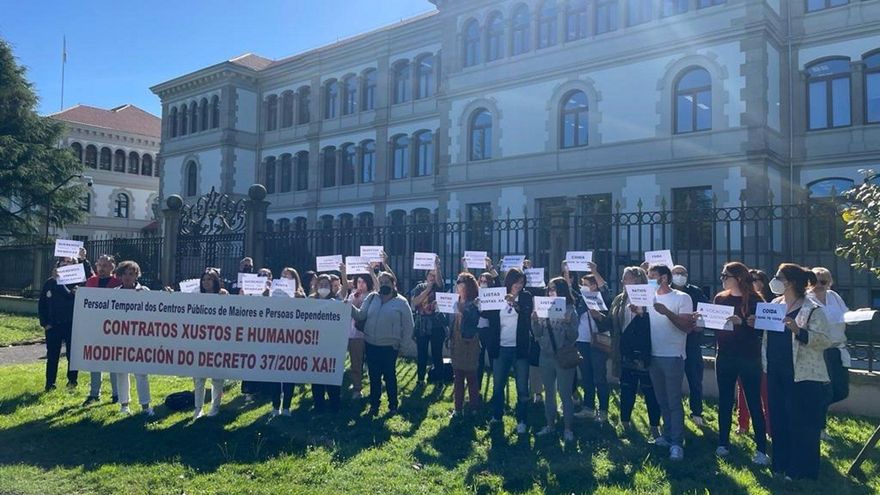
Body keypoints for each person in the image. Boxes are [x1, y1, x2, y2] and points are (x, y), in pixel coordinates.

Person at [762, 263, 832, 480]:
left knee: (801, 422)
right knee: (779, 419)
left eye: (778, 277)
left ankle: (802, 469)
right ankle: (780, 464)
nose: (774, 281)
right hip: (776, 370)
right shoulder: (774, 303)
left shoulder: (813, 309)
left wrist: (798, 331)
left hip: (803, 375)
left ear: (790, 282)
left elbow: (825, 340)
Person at [710, 262, 769, 465]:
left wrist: (743, 323)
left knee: (753, 401)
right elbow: (715, 326)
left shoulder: (754, 300)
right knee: (725, 400)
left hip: (749, 357)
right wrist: (704, 319)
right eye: (722, 275)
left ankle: (761, 449)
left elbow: (760, 331)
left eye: (726, 275)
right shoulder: (720, 298)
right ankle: (723, 443)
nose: (723, 279)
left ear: (738, 278)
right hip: (725, 355)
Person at [642, 264, 695, 461]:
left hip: (673, 355)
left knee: (673, 401)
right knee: (662, 400)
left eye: (652, 276)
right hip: (653, 355)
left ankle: (677, 443)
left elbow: (686, 327)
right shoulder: (649, 297)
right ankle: (667, 435)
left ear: (664, 278)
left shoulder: (682, 298)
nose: (649, 279)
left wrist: (667, 312)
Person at [608, 267, 661, 441]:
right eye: (623, 279)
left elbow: (656, 322)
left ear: (638, 280)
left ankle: (654, 426)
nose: (623, 282)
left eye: (627, 279)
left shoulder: (651, 297)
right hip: (625, 350)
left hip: (646, 351)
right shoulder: (619, 299)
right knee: (626, 388)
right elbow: (612, 322)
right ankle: (624, 422)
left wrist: (642, 314)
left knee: (650, 391)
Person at [351, 271, 414, 416]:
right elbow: (361, 315)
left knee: (389, 376)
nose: (384, 284)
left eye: (387, 282)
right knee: (374, 377)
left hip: (390, 347)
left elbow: (409, 326)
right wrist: (349, 306)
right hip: (371, 344)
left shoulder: (401, 302)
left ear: (393, 284)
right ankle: (374, 405)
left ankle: (393, 406)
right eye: (382, 282)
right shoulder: (372, 298)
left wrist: (403, 346)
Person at [532, 277, 579, 442]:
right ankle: (550, 424)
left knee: (565, 393)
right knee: (549, 393)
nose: (551, 292)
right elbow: (537, 334)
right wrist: (534, 320)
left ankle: (568, 429)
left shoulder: (570, 310)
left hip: (563, 355)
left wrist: (567, 323)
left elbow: (574, 336)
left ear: (562, 290)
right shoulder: (543, 307)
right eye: (549, 289)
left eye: (554, 289)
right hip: (545, 356)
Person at [807, 267, 850, 441]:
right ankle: (819, 428)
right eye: (814, 281)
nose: (818, 285)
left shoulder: (834, 297)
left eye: (823, 281)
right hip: (819, 350)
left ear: (829, 283)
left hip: (837, 348)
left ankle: (811, 412)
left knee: (841, 390)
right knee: (826, 392)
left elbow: (845, 315)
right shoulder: (807, 300)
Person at [489, 268, 534, 434]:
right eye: (516, 282)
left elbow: (526, 315)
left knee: (522, 387)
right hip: (501, 348)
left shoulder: (526, 297)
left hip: (519, 349)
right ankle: (497, 416)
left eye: (522, 282)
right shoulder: (499, 295)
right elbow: (489, 315)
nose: (519, 285)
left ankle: (522, 420)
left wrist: (514, 303)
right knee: (498, 385)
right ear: (509, 281)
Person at [671, 264, 708, 426]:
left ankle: (697, 412)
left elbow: (706, 311)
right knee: (672, 381)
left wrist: (700, 322)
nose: (680, 275)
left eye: (683, 273)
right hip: (672, 341)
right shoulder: (666, 291)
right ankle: (673, 412)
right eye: (677, 273)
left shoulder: (696, 292)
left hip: (692, 342)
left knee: (695, 379)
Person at [114, 261, 154, 416]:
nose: (127, 277)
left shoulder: (144, 291)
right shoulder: (115, 292)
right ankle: (124, 405)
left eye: (131, 274)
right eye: (124, 274)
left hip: (139, 339)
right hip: (120, 338)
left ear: (137, 275)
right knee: (121, 372)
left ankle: (145, 406)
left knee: (141, 372)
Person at [737, 269, 774, 436]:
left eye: (756, 279)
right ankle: (742, 424)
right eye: (749, 279)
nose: (752, 282)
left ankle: (768, 427)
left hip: (766, 353)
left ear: (764, 282)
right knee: (743, 389)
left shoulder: (773, 303)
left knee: (766, 391)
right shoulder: (742, 300)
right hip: (745, 351)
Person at [82, 255, 122, 405]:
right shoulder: (91, 282)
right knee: (95, 361)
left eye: (105, 265)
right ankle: (94, 394)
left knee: (113, 362)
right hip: (94, 327)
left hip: (113, 329)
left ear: (112, 267)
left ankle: (116, 394)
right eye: (99, 265)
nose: (102, 268)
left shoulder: (118, 283)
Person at [38, 257, 82, 392]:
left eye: (69, 262)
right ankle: (50, 384)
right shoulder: (49, 283)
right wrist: (44, 323)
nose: (65, 263)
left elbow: (70, 296)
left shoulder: (78, 283)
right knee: (52, 356)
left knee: (72, 355)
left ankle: (72, 382)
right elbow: (42, 304)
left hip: (71, 325)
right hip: (53, 326)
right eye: (63, 261)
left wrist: (59, 282)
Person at [572, 271, 611, 423]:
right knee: (586, 375)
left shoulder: (604, 299)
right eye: (582, 284)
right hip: (582, 341)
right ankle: (588, 407)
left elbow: (605, 289)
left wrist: (594, 270)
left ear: (594, 286)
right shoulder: (581, 300)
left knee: (599, 377)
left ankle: (603, 410)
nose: (583, 287)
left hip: (598, 342)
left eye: (586, 284)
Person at [192, 269, 228, 419]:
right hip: (199, 342)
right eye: (204, 279)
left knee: (217, 377)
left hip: (217, 342)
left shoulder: (223, 295)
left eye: (209, 279)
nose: (206, 282)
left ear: (215, 281)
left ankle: (215, 406)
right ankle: (198, 408)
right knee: (199, 377)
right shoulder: (196, 296)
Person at [310, 272, 345, 414]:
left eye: (326, 285)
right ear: (316, 286)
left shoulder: (337, 302)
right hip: (313, 345)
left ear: (331, 287)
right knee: (316, 377)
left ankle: (334, 404)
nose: (323, 287)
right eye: (321, 285)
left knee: (331, 375)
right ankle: (318, 405)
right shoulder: (309, 301)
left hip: (331, 346)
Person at [450, 272, 482, 417]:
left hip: (469, 343)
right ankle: (458, 408)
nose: (458, 285)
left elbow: (474, 322)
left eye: (461, 282)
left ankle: (474, 407)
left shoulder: (474, 302)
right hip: (456, 342)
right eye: (457, 282)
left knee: (471, 377)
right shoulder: (455, 300)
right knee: (457, 377)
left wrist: (464, 310)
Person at [410, 256, 446, 384]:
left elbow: (440, 282)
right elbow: (414, 302)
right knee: (422, 353)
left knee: (437, 353)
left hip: (436, 325)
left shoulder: (439, 286)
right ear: (426, 276)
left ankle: (439, 378)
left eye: (434, 275)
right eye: (430, 275)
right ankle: (420, 379)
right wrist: (427, 289)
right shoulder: (420, 286)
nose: (432, 277)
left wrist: (437, 266)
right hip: (422, 325)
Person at [346, 273, 373, 400]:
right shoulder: (352, 296)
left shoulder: (373, 297)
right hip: (355, 334)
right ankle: (357, 388)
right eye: (359, 282)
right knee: (356, 363)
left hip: (370, 334)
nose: (361, 285)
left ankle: (374, 387)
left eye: (364, 282)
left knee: (372, 363)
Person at [476, 271, 500, 393]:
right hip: (478, 330)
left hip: (489, 331)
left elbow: (488, 314)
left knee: (492, 359)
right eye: (481, 281)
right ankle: (477, 388)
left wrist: (491, 268)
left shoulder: (493, 295)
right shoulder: (476, 293)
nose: (483, 283)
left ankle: (497, 387)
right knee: (478, 361)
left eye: (486, 281)